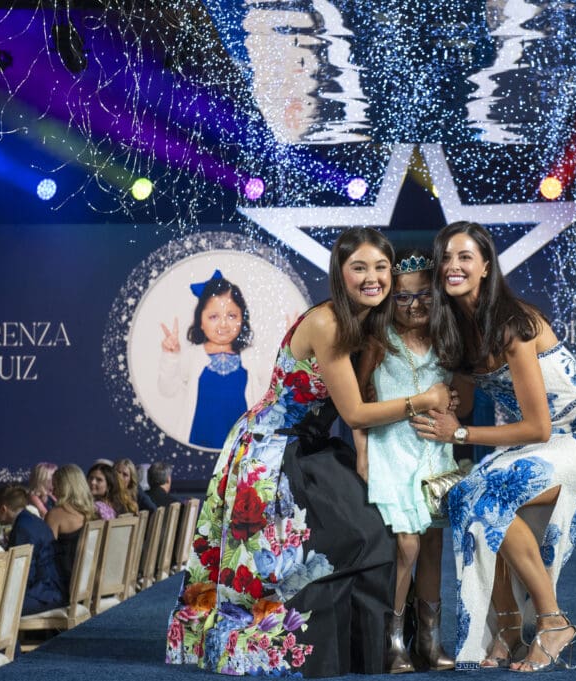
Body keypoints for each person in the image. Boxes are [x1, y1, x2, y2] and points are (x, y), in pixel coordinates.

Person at [166, 227, 454, 678]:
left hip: (314, 445)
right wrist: (425, 400)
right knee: (340, 541)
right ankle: (292, 647)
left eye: (381, 267)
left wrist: (363, 453)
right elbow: (357, 410)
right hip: (273, 449)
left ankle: (377, 650)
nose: (372, 277)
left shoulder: (366, 320)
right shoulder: (328, 322)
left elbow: (357, 396)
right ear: (340, 273)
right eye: (359, 267)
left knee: (377, 531)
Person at [414, 221, 576, 671]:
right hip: (551, 442)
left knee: (492, 493)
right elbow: (465, 400)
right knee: (467, 495)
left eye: (465, 257)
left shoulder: (516, 324)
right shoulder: (457, 330)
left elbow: (536, 427)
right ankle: (510, 629)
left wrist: (458, 434)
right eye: (447, 259)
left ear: (486, 266)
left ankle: (553, 622)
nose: (453, 266)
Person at [353, 249, 457, 673]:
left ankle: (429, 641)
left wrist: (451, 408)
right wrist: (362, 452)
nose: (415, 305)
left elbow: (460, 401)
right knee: (405, 545)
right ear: (389, 298)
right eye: (403, 297)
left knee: (432, 543)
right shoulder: (379, 342)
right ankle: (393, 639)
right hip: (391, 451)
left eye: (425, 295)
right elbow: (356, 400)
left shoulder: (447, 341)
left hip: (434, 454)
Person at [159, 270, 264, 449]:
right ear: (200, 320)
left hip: (240, 449)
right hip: (198, 443)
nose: (223, 324)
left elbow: (275, 389)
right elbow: (168, 390)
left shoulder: (251, 358)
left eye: (232, 316)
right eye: (214, 317)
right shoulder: (192, 356)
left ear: (242, 318)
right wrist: (171, 356)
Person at [0, 485, 65, 614]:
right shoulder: (32, 520)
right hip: (53, 589)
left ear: (3, 509)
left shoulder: (22, 528)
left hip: (44, 594)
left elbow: (23, 574)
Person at [45, 464, 97, 596]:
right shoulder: (92, 514)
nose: (53, 490)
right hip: (92, 582)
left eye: (56, 486)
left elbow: (46, 554)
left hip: (66, 585)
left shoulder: (55, 515)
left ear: (65, 488)